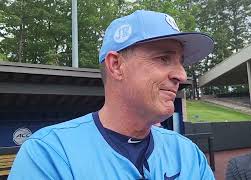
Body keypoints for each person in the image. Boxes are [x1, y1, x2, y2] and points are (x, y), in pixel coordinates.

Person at [9, 10, 215, 179]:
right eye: (163, 58)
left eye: (181, 61)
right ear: (116, 65)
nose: (181, 74)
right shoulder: (49, 154)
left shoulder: (187, 154)